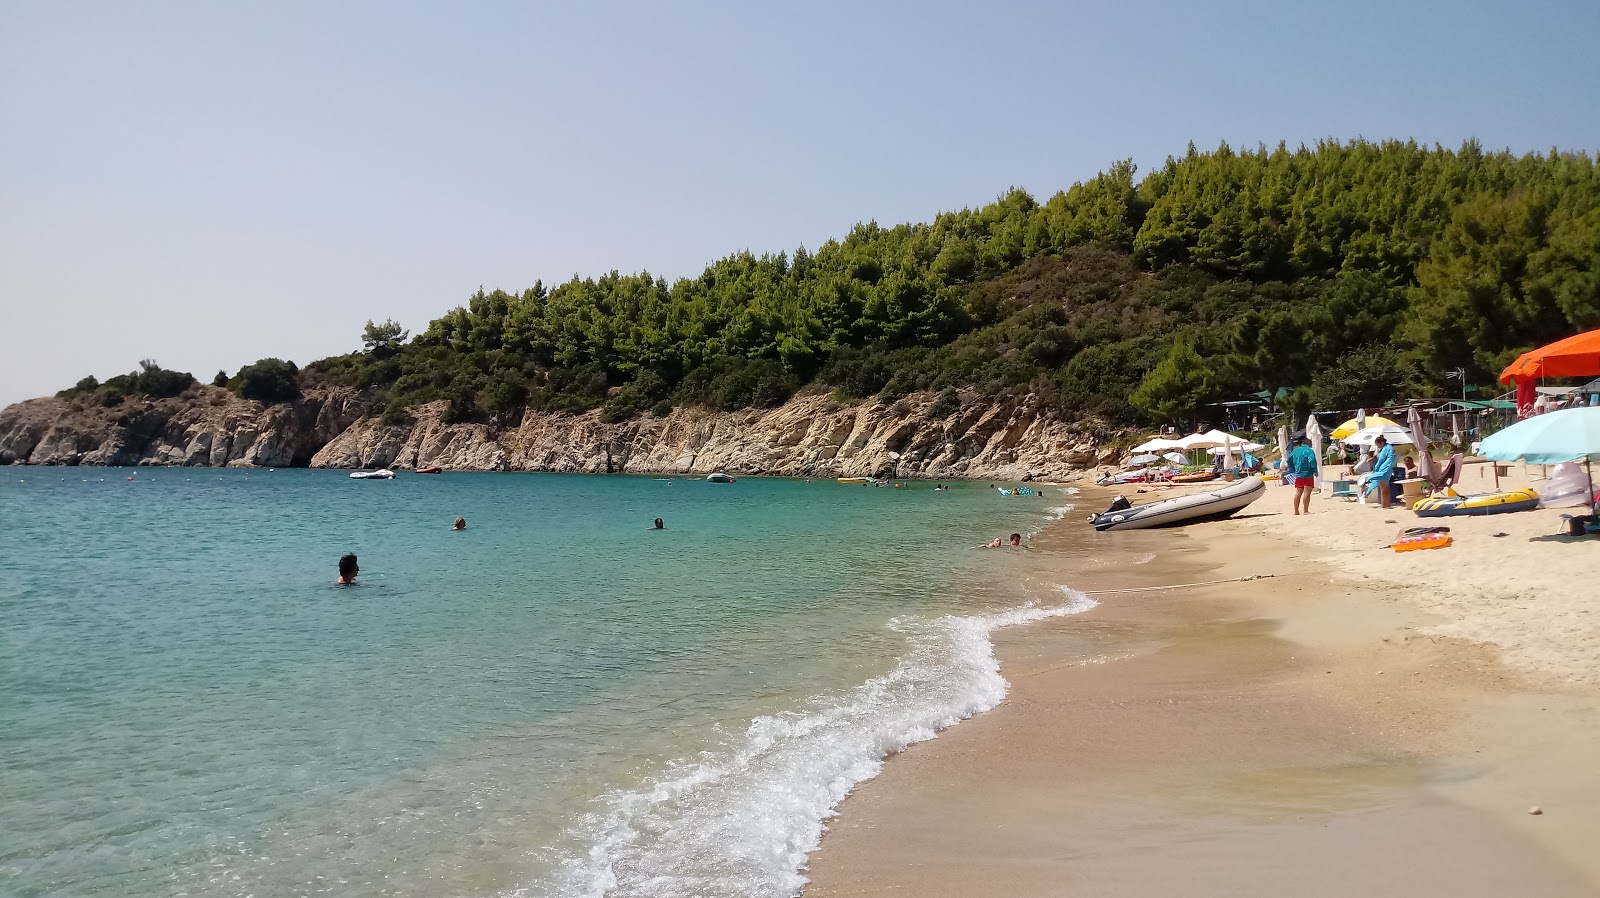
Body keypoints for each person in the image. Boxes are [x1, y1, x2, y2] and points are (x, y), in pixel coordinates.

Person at [1287, 436, 1319, 516]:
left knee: (1298, 492)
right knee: (1307, 492)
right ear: (1308, 443)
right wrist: (1315, 470)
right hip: (1308, 474)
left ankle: (1296, 511)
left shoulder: (1295, 451)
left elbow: (1288, 460)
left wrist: (1292, 469)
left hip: (1298, 474)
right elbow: (1312, 460)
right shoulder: (1309, 451)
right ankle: (1305, 511)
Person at [1368, 435, 1397, 508]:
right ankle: (1384, 504)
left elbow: (1383, 459)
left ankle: (1385, 504)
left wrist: (1376, 464)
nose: (1378, 447)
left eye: (1378, 445)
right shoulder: (1385, 448)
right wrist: (1373, 459)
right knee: (1383, 488)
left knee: (1384, 488)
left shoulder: (1387, 448)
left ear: (1382, 442)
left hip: (1385, 470)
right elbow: (1379, 458)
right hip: (1384, 469)